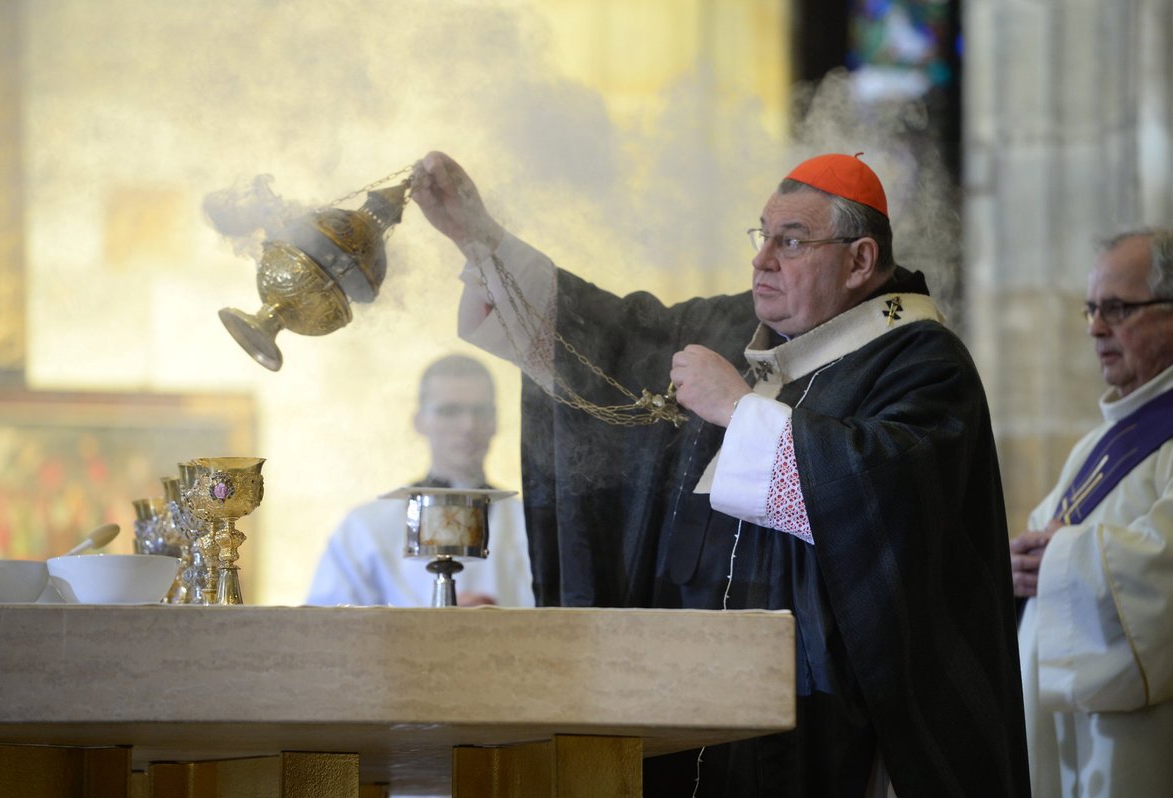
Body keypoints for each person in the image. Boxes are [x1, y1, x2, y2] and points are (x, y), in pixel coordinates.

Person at [410, 150, 1030, 797]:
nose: (763, 260)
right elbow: (609, 341)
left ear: (860, 261)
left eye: (791, 241)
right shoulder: (736, 328)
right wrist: (481, 240)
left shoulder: (922, 363)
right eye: (763, 236)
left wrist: (738, 410)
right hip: (684, 710)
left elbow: (886, 507)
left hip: (826, 727)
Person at [1011, 229, 1173, 797]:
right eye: (1091, 309)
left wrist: (1060, 558)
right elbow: (1045, 542)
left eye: (1116, 309)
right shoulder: (1096, 444)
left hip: (1147, 744)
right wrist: (1019, 567)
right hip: (1067, 738)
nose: (1094, 328)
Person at [306, 354, 534, 608]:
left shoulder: (530, 526)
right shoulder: (365, 529)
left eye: (480, 412)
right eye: (450, 411)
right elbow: (327, 627)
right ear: (420, 421)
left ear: (495, 422)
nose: (468, 425)